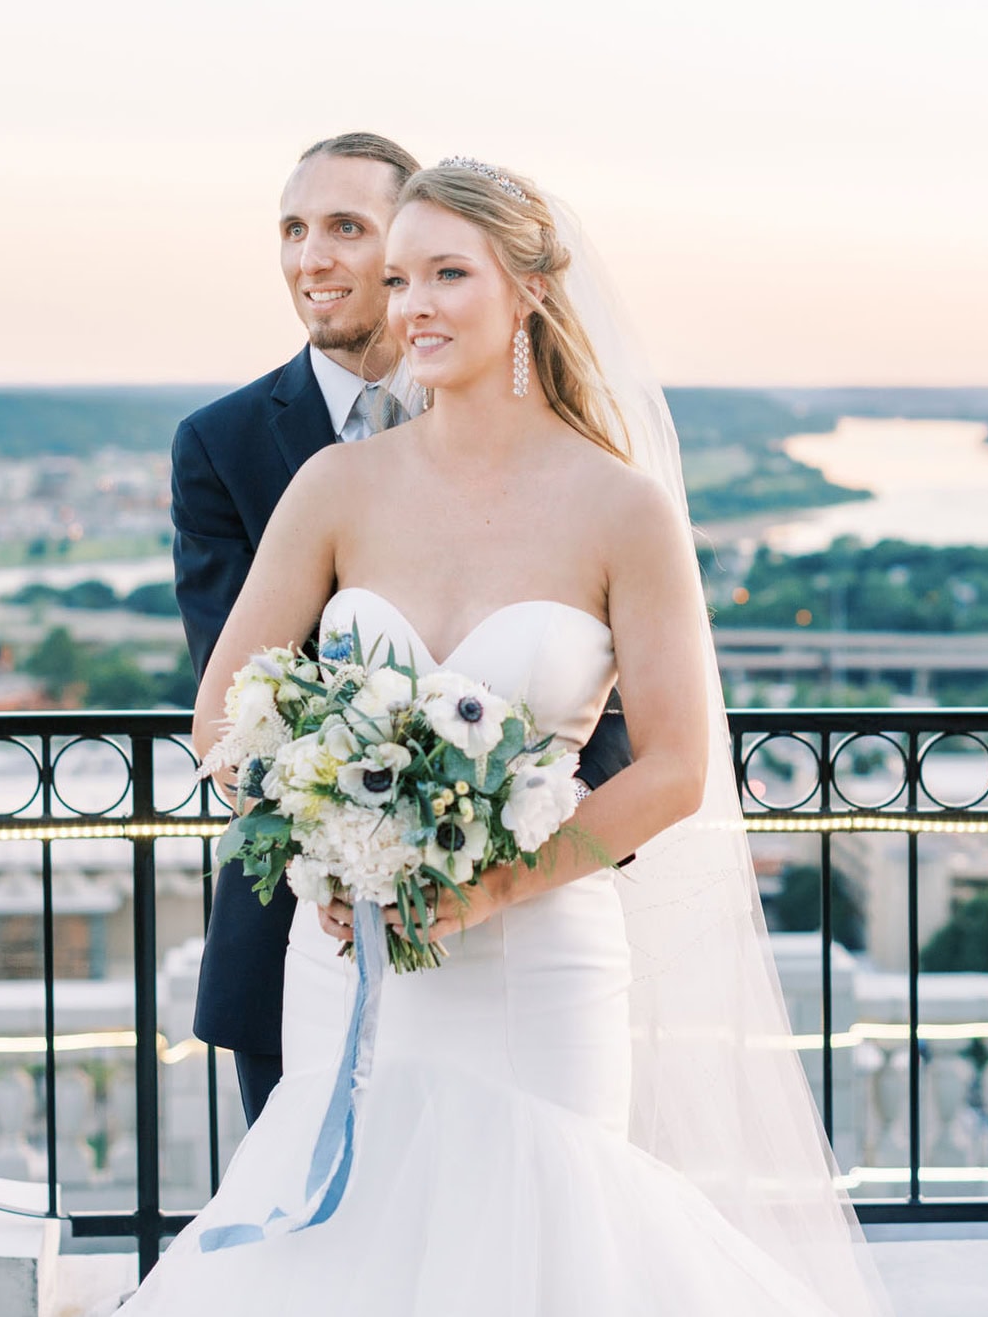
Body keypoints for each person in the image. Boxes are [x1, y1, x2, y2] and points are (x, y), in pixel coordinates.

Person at [122, 157, 890, 1314]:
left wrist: (491, 887)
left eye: (446, 273)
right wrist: (334, 843)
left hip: (541, 975)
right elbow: (223, 719)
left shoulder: (622, 507)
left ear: (528, 288)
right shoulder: (335, 486)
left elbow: (678, 767)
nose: (412, 303)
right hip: (347, 961)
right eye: (398, 278)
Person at [171, 133, 632, 1126]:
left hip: (530, 940)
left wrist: (496, 855)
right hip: (318, 934)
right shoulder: (235, 450)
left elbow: (624, 722)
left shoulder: (599, 498)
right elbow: (237, 703)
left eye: (348, 228)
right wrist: (344, 852)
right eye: (293, 229)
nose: (313, 258)